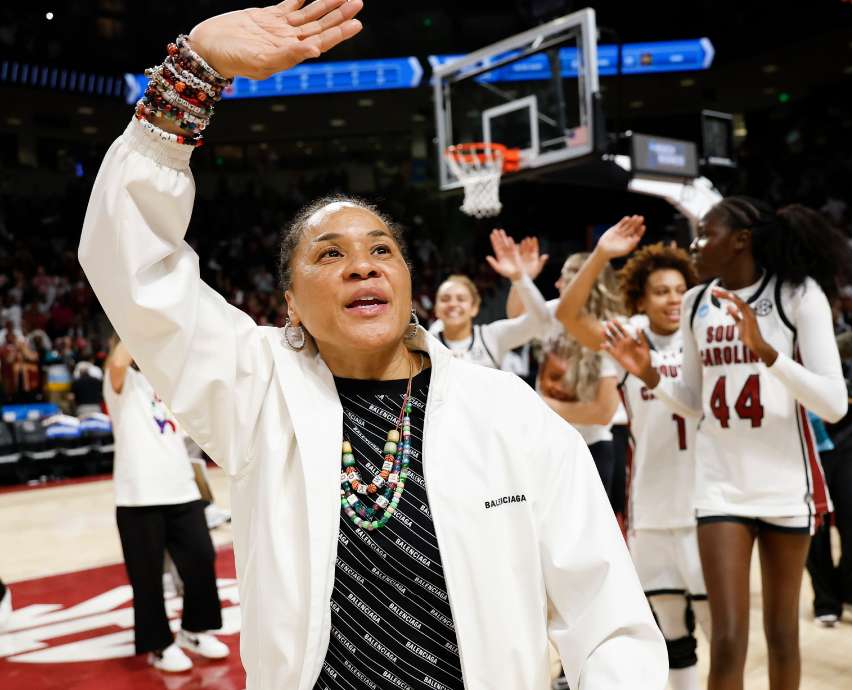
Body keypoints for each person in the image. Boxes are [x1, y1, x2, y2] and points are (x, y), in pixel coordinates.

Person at [78, 3, 666, 689]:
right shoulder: (254, 389)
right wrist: (195, 68)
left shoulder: (504, 408)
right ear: (290, 302)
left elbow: (605, 610)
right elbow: (133, 267)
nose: (363, 265)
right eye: (330, 254)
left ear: (406, 278)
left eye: (381, 248)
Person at [608, 197, 848, 690]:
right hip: (719, 487)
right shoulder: (698, 302)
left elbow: (834, 403)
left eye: (705, 234)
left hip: (785, 482)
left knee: (782, 634)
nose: (694, 245)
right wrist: (649, 372)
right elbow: (695, 401)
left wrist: (766, 352)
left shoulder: (797, 294)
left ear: (740, 240)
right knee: (728, 638)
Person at [552, 219, 710, 690]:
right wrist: (601, 254)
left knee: (723, 634)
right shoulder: (628, 336)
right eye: (661, 290)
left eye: (681, 289)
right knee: (672, 637)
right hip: (653, 511)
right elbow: (567, 315)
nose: (673, 298)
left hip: (709, 507)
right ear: (640, 298)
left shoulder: (705, 334)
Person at [104, 338, 229, 672]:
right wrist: (138, 321)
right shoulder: (120, 382)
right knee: (146, 578)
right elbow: (118, 362)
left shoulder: (167, 385)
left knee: (202, 558)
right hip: (139, 496)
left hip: (182, 491)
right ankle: (159, 645)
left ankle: (194, 630)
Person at [538, 250, 626, 511]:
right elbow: (516, 313)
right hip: (550, 444)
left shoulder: (612, 329)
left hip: (594, 445)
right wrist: (519, 277)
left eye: (564, 278)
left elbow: (601, 412)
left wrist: (541, 406)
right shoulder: (553, 313)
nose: (556, 284)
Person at [806, 331, 852, 630]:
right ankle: (825, 601)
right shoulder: (782, 352)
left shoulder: (834, 352)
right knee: (814, 530)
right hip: (802, 449)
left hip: (844, 444)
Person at [429, 229, 552, 368]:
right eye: (445, 299)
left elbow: (541, 322)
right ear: (436, 309)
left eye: (461, 299)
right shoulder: (426, 342)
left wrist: (520, 279)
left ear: (474, 308)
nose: (452, 304)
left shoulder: (491, 336)